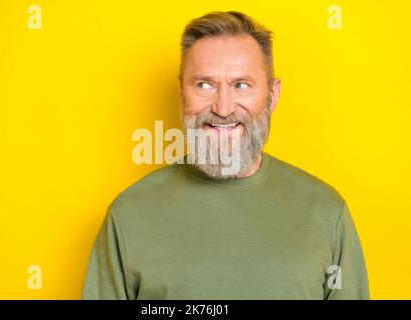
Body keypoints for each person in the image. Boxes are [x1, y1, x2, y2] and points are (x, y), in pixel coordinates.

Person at [82, 11, 369, 299]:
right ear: (182, 95)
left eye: (241, 85)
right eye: (204, 85)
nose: (222, 108)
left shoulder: (326, 212)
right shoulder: (128, 215)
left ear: (272, 94)